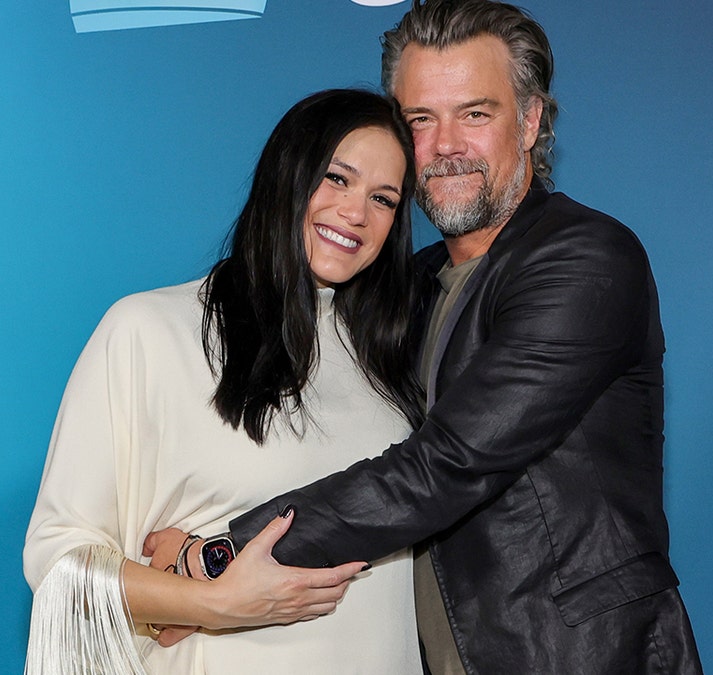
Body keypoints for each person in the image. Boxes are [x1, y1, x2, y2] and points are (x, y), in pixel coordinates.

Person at [156, 1, 704, 672]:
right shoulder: (407, 287)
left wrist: (216, 558)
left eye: (476, 113)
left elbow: (448, 464)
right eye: (420, 119)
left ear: (530, 121)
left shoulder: (586, 260)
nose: (444, 145)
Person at [22, 89, 426, 674]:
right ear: (287, 174)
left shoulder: (389, 362)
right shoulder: (149, 330)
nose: (356, 213)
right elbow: (59, 561)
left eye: (383, 199)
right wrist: (216, 602)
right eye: (337, 178)